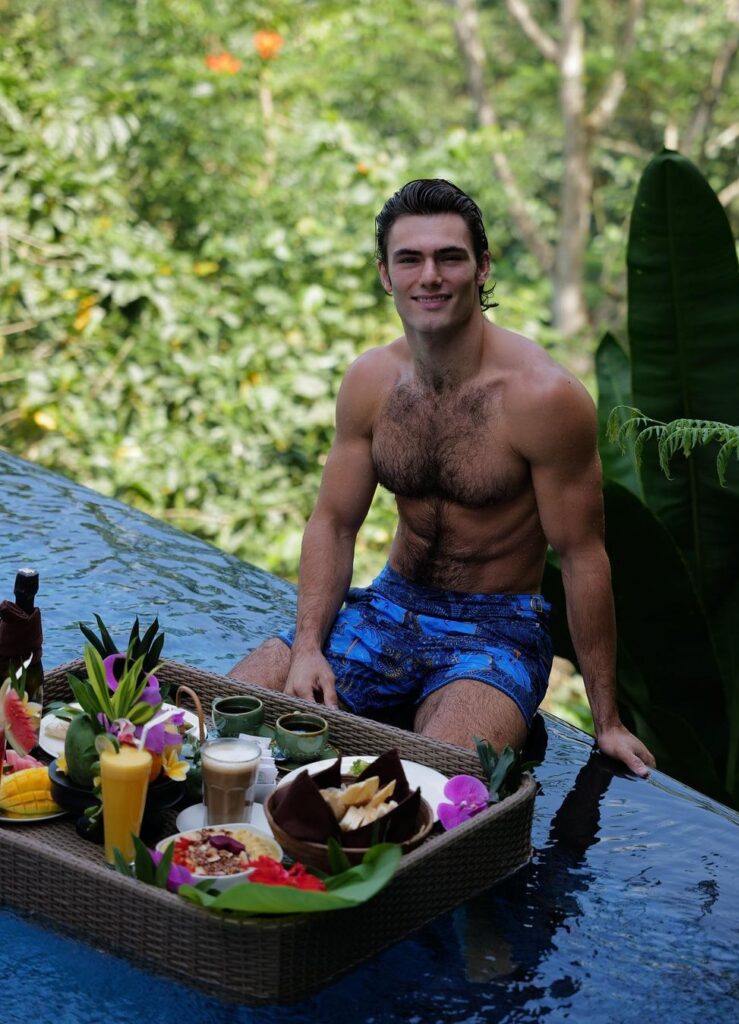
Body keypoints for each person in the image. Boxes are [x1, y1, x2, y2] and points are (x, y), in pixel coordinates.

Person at [230, 178, 655, 776]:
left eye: (449, 258)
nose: (429, 276)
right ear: (386, 275)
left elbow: (583, 556)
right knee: (223, 722)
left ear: (482, 268)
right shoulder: (372, 382)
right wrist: (306, 650)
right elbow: (334, 524)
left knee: (431, 784)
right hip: (388, 607)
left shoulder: (542, 397)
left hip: (496, 631)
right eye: (410, 259)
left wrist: (606, 721)